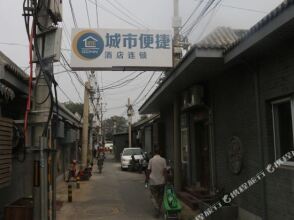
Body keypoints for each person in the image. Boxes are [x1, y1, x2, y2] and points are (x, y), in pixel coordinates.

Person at [146, 147, 167, 218]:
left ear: (154, 153)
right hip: (161, 181)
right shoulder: (163, 160)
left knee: (153, 196)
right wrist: (166, 180)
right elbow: (165, 171)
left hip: (153, 182)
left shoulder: (151, 160)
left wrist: (147, 178)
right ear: (160, 153)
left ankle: (157, 209)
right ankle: (158, 209)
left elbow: (148, 170)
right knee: (160, 196)